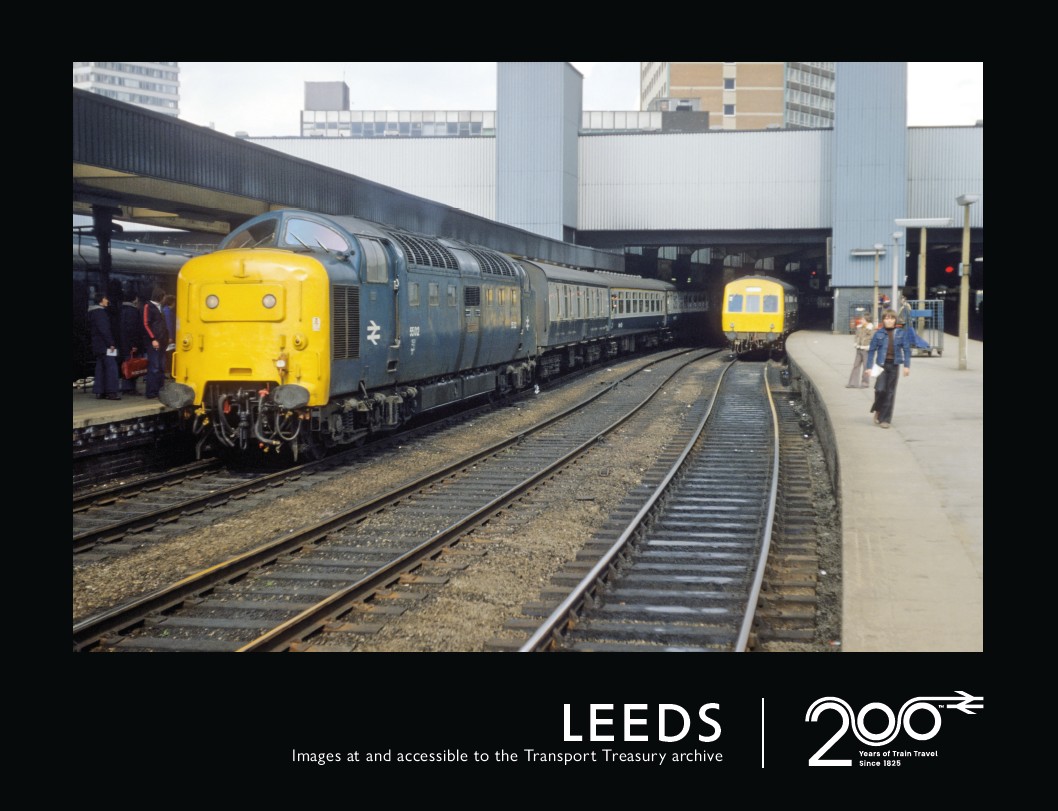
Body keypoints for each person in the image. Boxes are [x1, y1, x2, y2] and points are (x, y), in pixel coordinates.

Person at [867, 309, 911, 429]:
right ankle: (878, 409)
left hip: (894, 365)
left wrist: (906, 366)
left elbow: (907, 350)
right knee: (880, 389)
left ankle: (885, 419)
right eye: (886, 318)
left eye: (891, 318)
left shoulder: (901, 333)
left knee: (890, 392)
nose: (889, 321)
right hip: (881, 365)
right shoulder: (878, 334)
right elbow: (871, 351)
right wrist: (868, 367)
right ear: (883, 320)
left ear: (895, 320)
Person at [88, 291, 120, 400]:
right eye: (106, 298)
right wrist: (111, 343)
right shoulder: (101, 313)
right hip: (105, 345)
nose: (107, 301)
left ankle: (99, 391)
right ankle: (111, 392)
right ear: (101, 300)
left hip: (97, 344)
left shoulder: (92, 312)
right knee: (111, 367)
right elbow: (105, 330)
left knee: (100, 368)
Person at [142, 287, 170, 399]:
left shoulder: (160, 307)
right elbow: (145, 323)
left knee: (161, 366)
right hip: (155, 341)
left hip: (162, 340)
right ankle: (151, 391)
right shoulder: (148, 306)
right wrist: (152, 338)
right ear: (160, 296)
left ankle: (159, 390)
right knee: (154, 366)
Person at [118, 291, 142, 394]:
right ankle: (130, 388)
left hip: (122, 342)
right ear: (134, 299)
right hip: (130, 343)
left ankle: (125, 386)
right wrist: (134, 344)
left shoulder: (121, 310)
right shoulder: (133, 311)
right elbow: (133, 329)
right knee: (132, 365)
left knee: (126, 364)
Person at [846, 313, 873, 388]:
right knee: (856, 365)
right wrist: (856, 343)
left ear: (867, 320)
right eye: (861, 319)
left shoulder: (871, 329)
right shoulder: (859, 328)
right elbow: (856, 336)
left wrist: (868, 345)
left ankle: (865, 383)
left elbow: (872, 338)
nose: (861, 320)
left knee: (865, 366)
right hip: (859, 348)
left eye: (863, 319)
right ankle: (853, 383)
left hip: (866, 349)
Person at [161, 293, 176, 377]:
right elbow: (169, 324)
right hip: (168, 336)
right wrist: (170, 336)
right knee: (169, 355)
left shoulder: (165, 310)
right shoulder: (168, 312)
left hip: (166, 335)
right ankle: (169, 372)